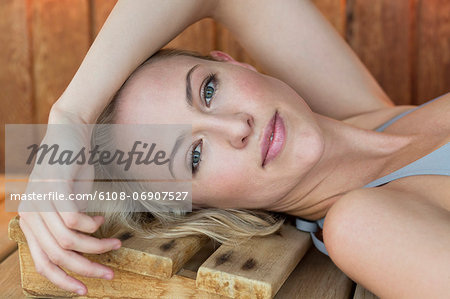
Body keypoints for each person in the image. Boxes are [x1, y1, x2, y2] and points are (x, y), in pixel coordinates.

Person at [17, 0, 449, 297]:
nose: (236, 127)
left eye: (208, 91)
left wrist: (71, 115)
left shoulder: (364, 112)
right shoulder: (362, 225)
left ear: (232, 62)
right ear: (202, 205)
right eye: (196, 156)